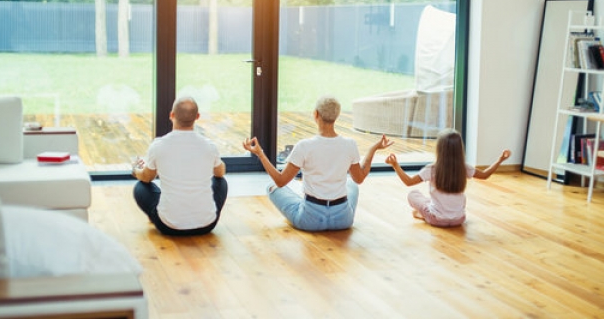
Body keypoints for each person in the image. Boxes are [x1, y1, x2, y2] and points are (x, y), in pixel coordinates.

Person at [242, 95, 393, 232]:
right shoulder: (349, 144)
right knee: (352, 184)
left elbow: (280, 181)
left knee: (272, 187)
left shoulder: (304, 146)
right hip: (342, 220)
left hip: (310, 220)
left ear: (316, 114)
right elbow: (359, 178)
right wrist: (374, 149)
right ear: (337, 116)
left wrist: (260, 154)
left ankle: (305, 203)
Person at [132, 96, 228, 236]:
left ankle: (156, 216)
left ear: (172, 115)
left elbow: (146, 178)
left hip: (168, 226)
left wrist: (136, 170)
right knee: (221, 182)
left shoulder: (158, 146)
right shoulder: (209, 146)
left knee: (140, 187)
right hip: (207, 225)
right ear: (197, 117)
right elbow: (220, 173)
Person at [385, 128, 510, 227]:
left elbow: (409, 182)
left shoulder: (432, 169)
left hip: (437, 219)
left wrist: (395, 165)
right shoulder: (464, 168)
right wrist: (500, 159)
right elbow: (485, 175)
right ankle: (426, 213)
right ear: (460, 149)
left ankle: (424, 215)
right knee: (433, 200)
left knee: (413, 194)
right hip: (459, 219)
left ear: (439, 149)